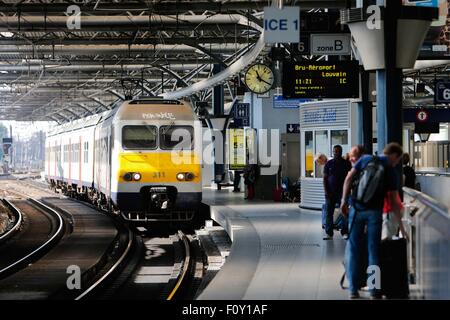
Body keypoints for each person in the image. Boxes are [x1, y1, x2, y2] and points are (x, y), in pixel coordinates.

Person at [340, 142, 406, 299]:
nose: (396, 163)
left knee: (354, 249)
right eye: (398, 160)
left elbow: (349, 178)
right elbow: (394, 201)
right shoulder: (390, 170)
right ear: (394, 156)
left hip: (356, 209)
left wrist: (344, 200)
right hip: (375, 212)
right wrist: (402, 227)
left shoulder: (366, 159)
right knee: (373, 251)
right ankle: (374, 290)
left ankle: (353, 290)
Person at [323, 145, 352, 240]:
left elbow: (350, 177)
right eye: (335, 151)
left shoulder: (346, 163)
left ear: (341, 152)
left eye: (338, 151)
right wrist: (326, 192)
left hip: (343, 193)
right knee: (329, 213)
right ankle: (329, 233)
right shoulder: (329, 164)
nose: (336, 153)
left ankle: (344, 232)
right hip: (330, 193)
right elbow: (325, 179)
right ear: (333, 152)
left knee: (344, 212)